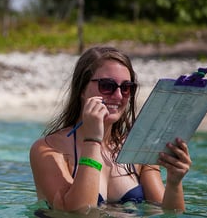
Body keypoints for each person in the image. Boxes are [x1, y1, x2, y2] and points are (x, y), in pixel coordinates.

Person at [30, 46, 192, 213]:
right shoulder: (48, 150)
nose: (118, 96)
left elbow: (168, 214)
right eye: (107, 86)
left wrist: (174, 182)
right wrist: (92, 141)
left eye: (126, 87)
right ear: (82, 90)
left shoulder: (136, 148)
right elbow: (79, 213)